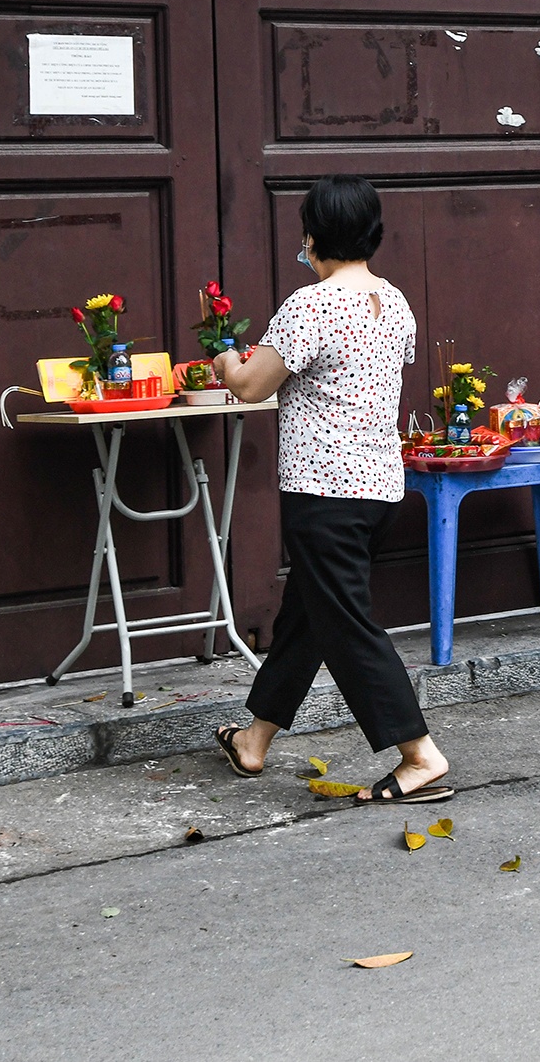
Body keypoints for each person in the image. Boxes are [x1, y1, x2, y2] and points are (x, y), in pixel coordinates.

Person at [210, 175, 455, 803]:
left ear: (313, 235)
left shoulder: (310, 305)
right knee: (310, 616)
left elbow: (251, 386)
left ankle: (419, 755)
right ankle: (254, 741)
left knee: (345, 622)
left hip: (324, 492)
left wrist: (224, 361)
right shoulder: (395, 301)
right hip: (378, 487)